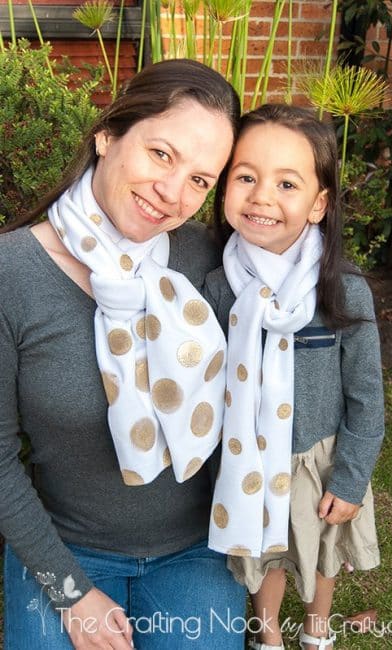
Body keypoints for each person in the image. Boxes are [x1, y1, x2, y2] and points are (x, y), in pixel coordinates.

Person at [0, 58, 247, 650]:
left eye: (200, 179)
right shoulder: (12, 273)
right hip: (64, 550)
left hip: (195, 549)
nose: (172, 193)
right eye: (162, 154)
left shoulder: (209, 258)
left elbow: (305, 284)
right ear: (108, 134)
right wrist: (71, 593)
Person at [206, 104, 385, 650]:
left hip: (319, 459)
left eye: (287, 183)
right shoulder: (218, 287)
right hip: (250, 456)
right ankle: (268, 636)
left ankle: (317, 630)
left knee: (320, 549)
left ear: (318, 204)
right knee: (269, 554)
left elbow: (366, 398)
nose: (262, 196)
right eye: (246, 177)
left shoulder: (343, 293)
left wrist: (351, 478)